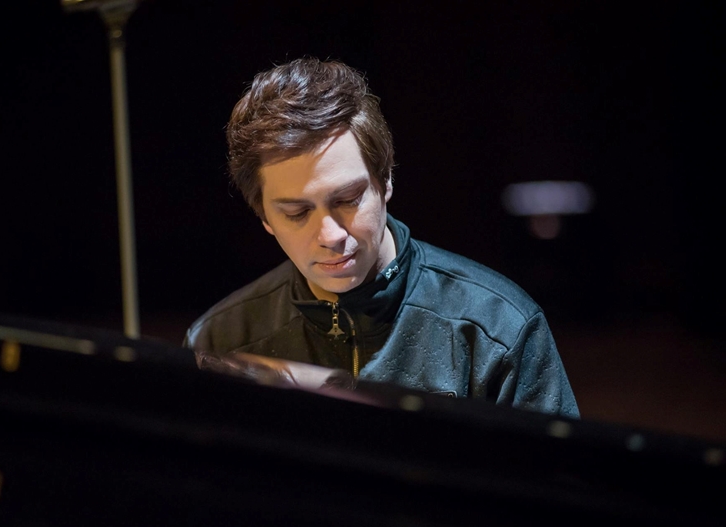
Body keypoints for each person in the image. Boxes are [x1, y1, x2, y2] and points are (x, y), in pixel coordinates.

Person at [184, 57, 579, 418]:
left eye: (348, 199)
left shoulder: (498, 327)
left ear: (385, 180)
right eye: (296, 213)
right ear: (264, 217)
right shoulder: (219, 341)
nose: (330, 236)